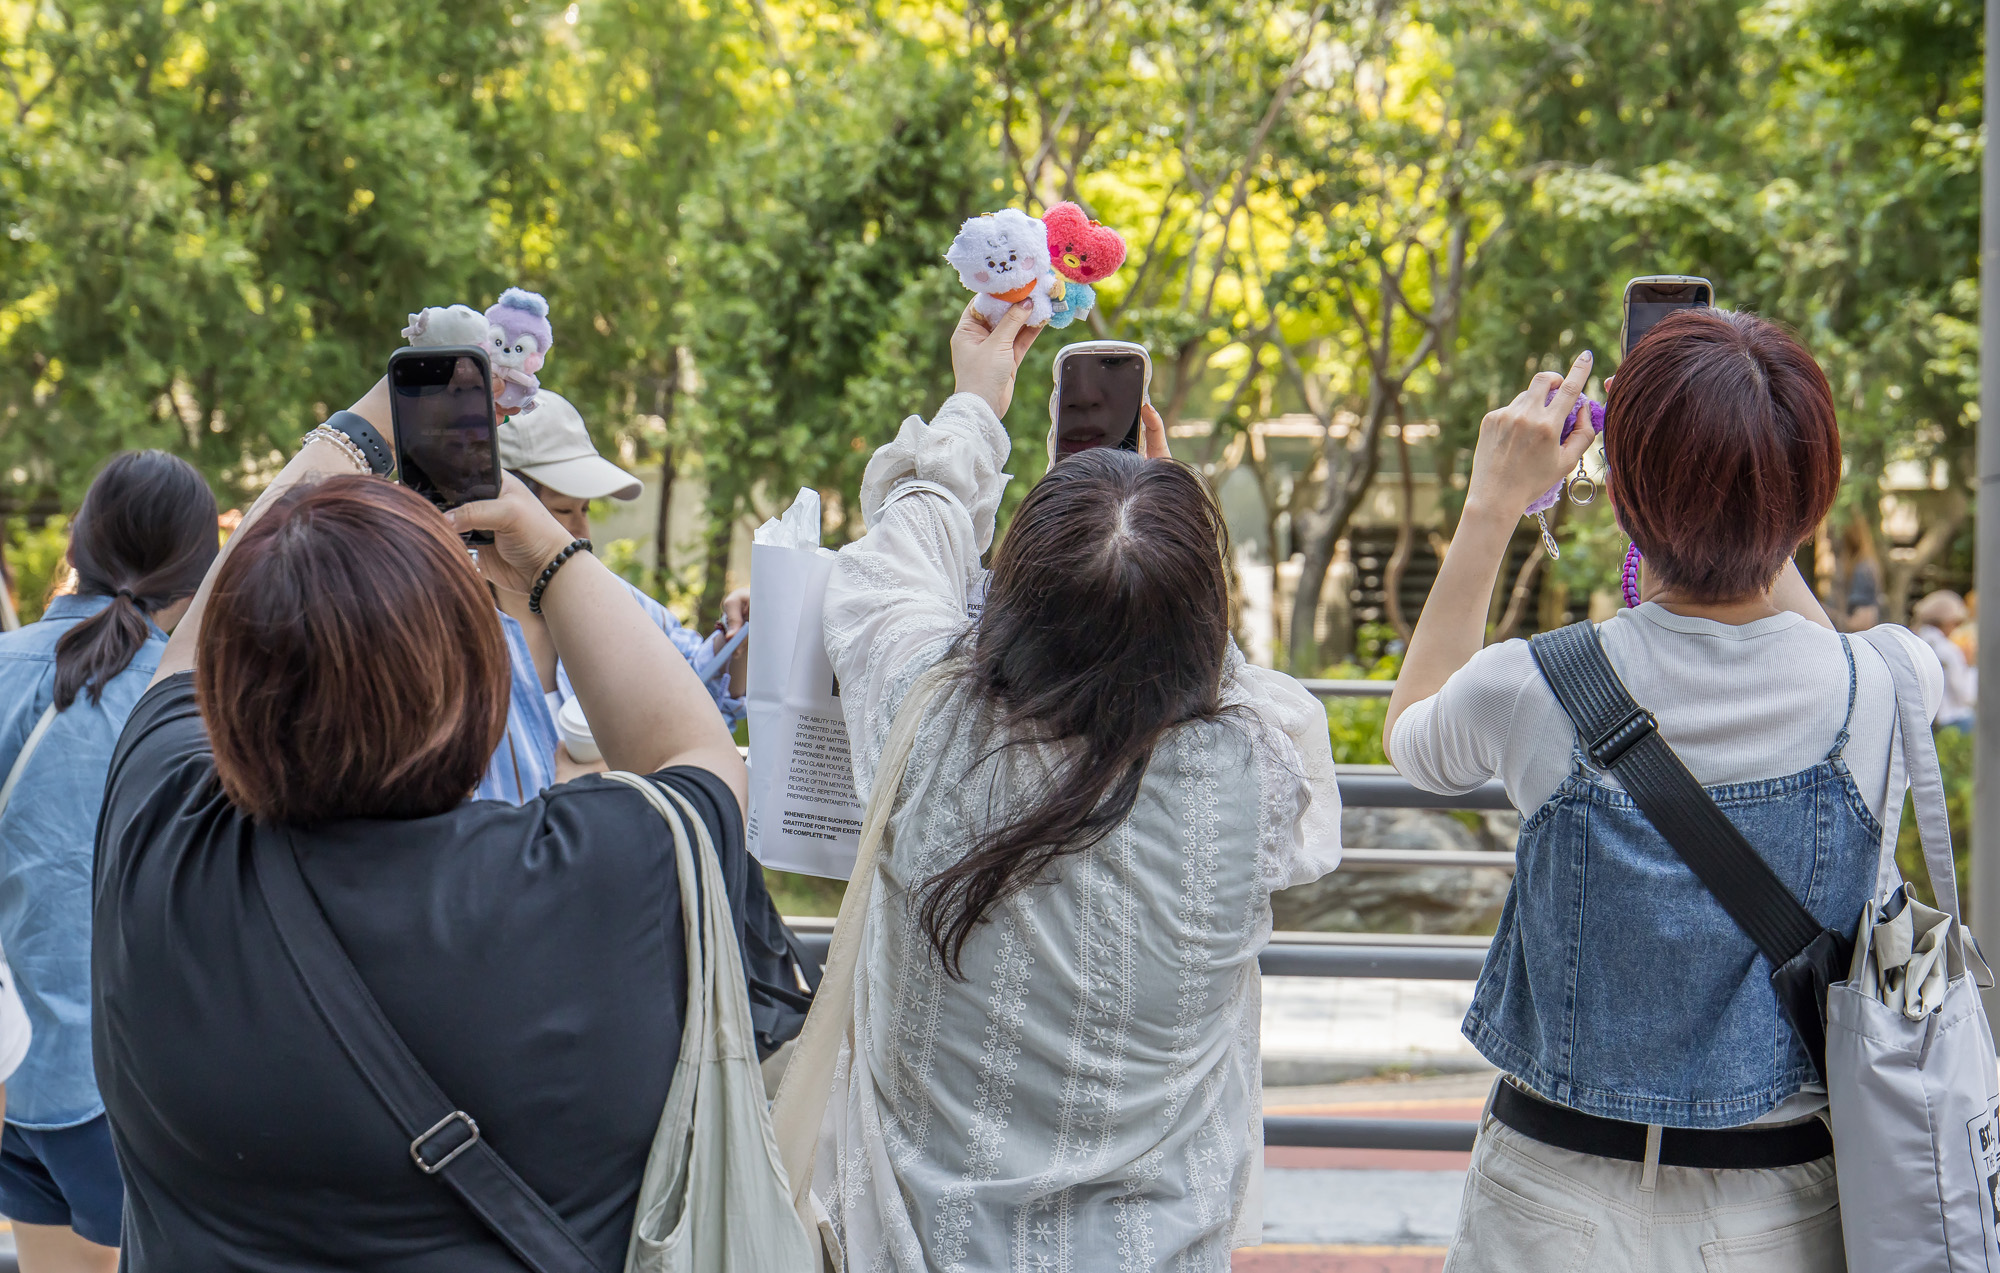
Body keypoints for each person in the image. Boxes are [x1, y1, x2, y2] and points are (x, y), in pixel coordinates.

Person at [90, 375, 805, 1270]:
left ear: (227, 701)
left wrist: (367, 422)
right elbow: (695, 753)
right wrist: (542, 551)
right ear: (476, 690)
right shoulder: (600, 878)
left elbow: (190, 648)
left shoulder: (162, 849)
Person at [1385, 311, 1942, 1271]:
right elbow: (1797, 610)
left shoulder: (1533, 686)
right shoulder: (1889, 682)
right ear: (1812, 501)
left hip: (1552, 1192)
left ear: (1623, 499)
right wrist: (1752, 476)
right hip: (1783, 1202)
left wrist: (1493, 504)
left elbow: (1413, 736)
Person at [809, 301, 1343, 1270]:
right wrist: (1148, 539)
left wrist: (977, 402)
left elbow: (899, 555)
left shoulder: (922, 721)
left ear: (1009, 603)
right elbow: (1232, 685)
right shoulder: (1260, 764)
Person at [0, 451, 217, 1273]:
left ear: (76, 541)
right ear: (199, 570)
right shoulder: (186, 704)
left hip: (13, 1076)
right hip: (124, 1092)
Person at [493, 390, 746, 778]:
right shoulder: (440, 625)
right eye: (562, 510)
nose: (579, 530)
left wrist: (738, 637)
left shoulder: (606, 596)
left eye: (585, 509)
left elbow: (697, 699)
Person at [1913, 589, 1977, 730]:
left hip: (1922, 720)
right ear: (1947, 621)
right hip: (1952, 720)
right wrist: (1970, 666)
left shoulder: (1915, 643)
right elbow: (1966, 695)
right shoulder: (1949, 651)